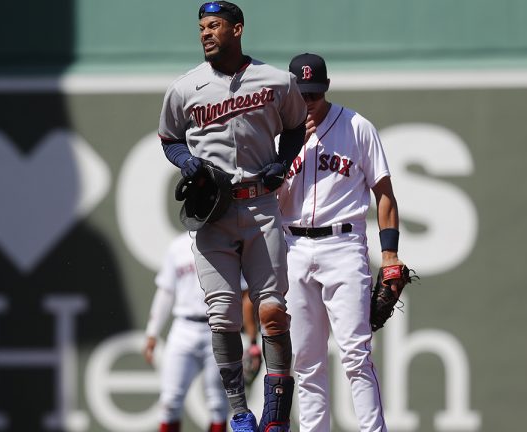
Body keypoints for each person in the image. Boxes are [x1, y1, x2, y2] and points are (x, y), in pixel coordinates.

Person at [157, 2, 307, 432]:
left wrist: (284, 158)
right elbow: (169, 138)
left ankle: (275, 415)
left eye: (215, 25)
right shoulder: (185, 88)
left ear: (237, 29)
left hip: (261, 204)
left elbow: (295, 125)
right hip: (213, 212)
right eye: (202, 26)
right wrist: (185, 160)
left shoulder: (276, 80)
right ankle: (240, 412)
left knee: (273, 311)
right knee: (222, 315)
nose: (206, 33)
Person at [277, 53, 409, 432]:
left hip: (343, 245)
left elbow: (384, 193)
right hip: (294, 248)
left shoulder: (357, 127)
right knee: (306, 363)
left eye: (313, 95)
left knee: (355, 355)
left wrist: (390, 256)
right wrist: (287, 153)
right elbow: (270, 202)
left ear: (326, 89)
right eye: (300, 95)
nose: (307, 103)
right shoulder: (276, 134)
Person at [143, 231, 259, 432]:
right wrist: (152, 331)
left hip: (218, 328)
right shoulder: (177, 246)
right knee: (170, 400)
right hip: (183, 327)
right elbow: (166, 291)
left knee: (217, 403)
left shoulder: (229, 242)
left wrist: (251, 339)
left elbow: (245, 296)